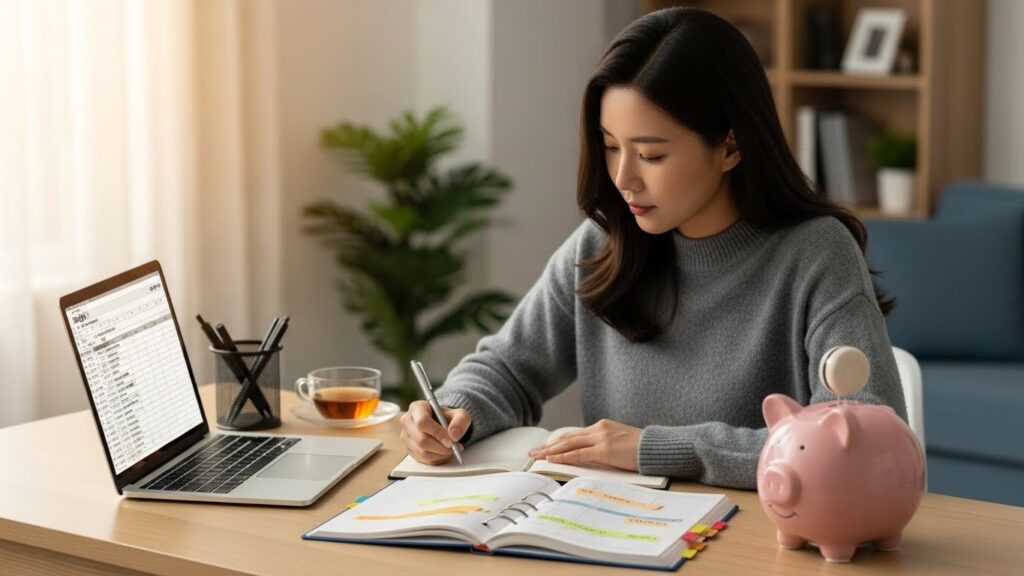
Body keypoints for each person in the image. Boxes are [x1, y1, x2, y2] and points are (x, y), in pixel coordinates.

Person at [398, 7, 906, 489]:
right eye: (610, 146)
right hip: (614, 526)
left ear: (730, 147)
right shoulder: (607, 241)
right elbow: (509, 367)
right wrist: (455, 411)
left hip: (758, 533)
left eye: (650, 154)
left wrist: (655, 448)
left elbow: (859, 440)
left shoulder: (816, 254)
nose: (623, 178)